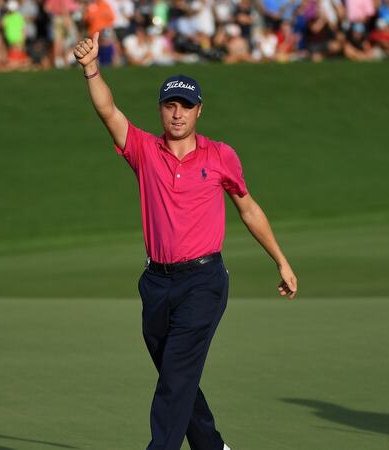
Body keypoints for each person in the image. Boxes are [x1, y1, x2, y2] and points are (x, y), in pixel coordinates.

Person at [73, 32, 298, 450]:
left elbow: (248, 208)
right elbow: (107, 110)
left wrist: (280, 260)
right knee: (178, 375)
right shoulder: (143, 149)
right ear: (160, 109)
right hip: (156, 284)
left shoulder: (220, 156)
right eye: (170, 106)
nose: (178, 115)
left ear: (199, 112)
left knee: (176, 377)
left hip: (203, 281)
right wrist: (91, 69)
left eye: (186, 107)